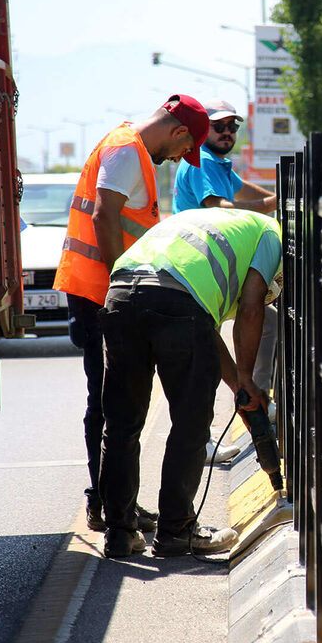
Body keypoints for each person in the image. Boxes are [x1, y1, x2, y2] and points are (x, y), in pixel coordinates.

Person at [53, 94, 210, 534]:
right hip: (100, 292)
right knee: (108, 404)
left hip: (107, 291)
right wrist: (121, 279)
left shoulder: (131, 151)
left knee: (114, 403)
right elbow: (105, 216)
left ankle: (115, 503)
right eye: (184, 150)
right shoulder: (126, 150)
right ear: (179, 132)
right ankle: (105, 503)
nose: (179, 159)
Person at [97, 207, 282, 558]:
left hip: (122, 294)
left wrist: (238, 386)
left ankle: (120, 534)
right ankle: (176, 532)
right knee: (191, 423)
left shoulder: (214, 226)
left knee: (122, 424)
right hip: (176, 303)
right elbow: (252, 307)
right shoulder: (271, 232)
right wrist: (247, 375)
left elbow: (207, 327)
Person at [173, 97, 279, 464]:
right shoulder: (201, 160)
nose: (228, 132)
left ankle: (257, 397)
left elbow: (245, 189)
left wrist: (281, 199)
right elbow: (219, 206)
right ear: (204, 131)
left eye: (233, 126)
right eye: (220, 126)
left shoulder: (218, 163)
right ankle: (245, 404)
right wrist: (269, 207)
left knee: (267, 322)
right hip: (196, 262)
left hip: (211, 261)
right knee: (202, 357)